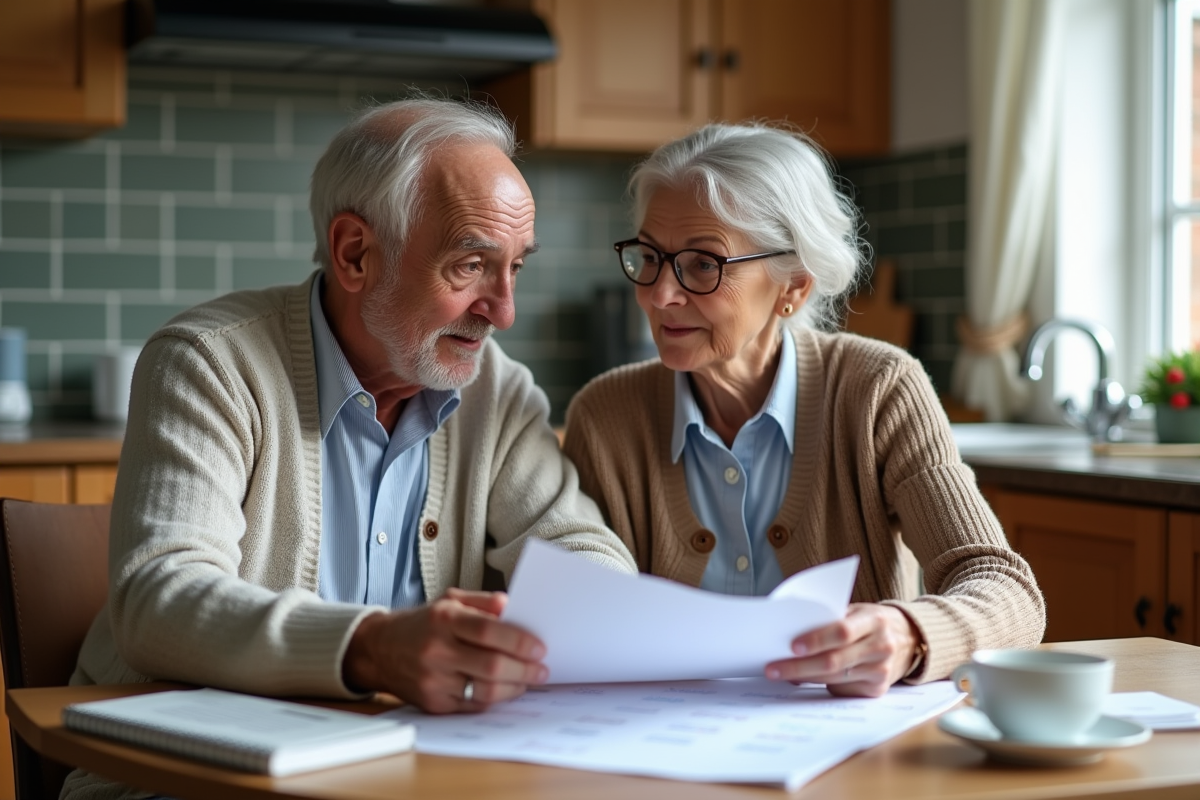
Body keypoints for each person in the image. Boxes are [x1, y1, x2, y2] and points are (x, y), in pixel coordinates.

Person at [64, 97, 636, 798]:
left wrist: (573, 618)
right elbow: (159, 601)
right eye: (470, 267)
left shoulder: (499, 390)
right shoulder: (209, 363)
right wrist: (372, 648)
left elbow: (584, 555)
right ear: (355, 252)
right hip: (188, 774)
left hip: (403, 773)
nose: (503, 310)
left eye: (515, 267)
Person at [562, 122, 1045, 698]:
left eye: (702, 265)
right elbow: (585, 611)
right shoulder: (605, 414)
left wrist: (909, 632)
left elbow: (1005, 587)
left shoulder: (878, 390)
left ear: (792, 286)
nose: (659, 295)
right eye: (650, 257)